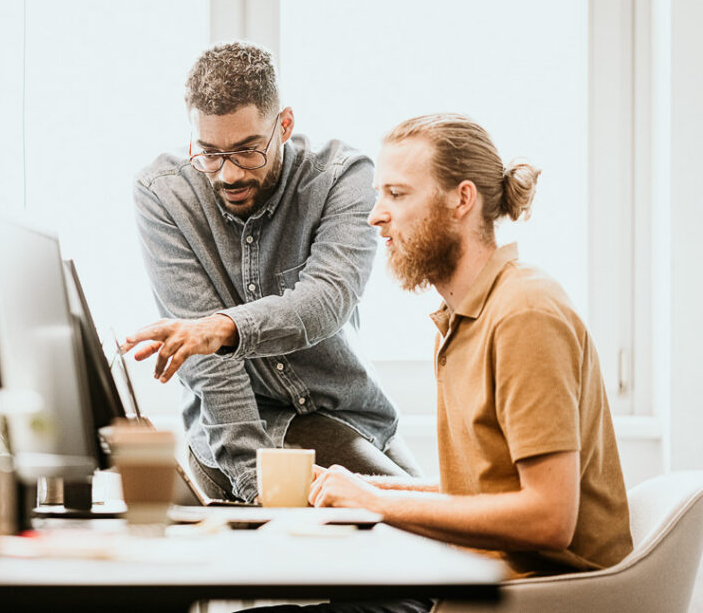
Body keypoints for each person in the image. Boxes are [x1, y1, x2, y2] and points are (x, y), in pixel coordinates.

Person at [309, 114, 633, 600]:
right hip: (472, 589)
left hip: (536, 601)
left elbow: (548, 518)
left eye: (396, 194)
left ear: (462, 199)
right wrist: (356, 487)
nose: (376, 215)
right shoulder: (461, 318)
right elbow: (486, 494)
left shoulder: (525, 313)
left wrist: (374, 502)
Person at [122, 41, 418, 503]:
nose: (229, 174)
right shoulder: (163, 195)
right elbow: (212, 372)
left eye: (246, 151)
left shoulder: (343, 177)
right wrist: (256, 487)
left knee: (447, 520)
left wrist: (224, 327)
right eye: (210, 154)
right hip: (236, 429)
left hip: (352, 417)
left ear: (284, 125)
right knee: (417, 528)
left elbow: (325, 301)